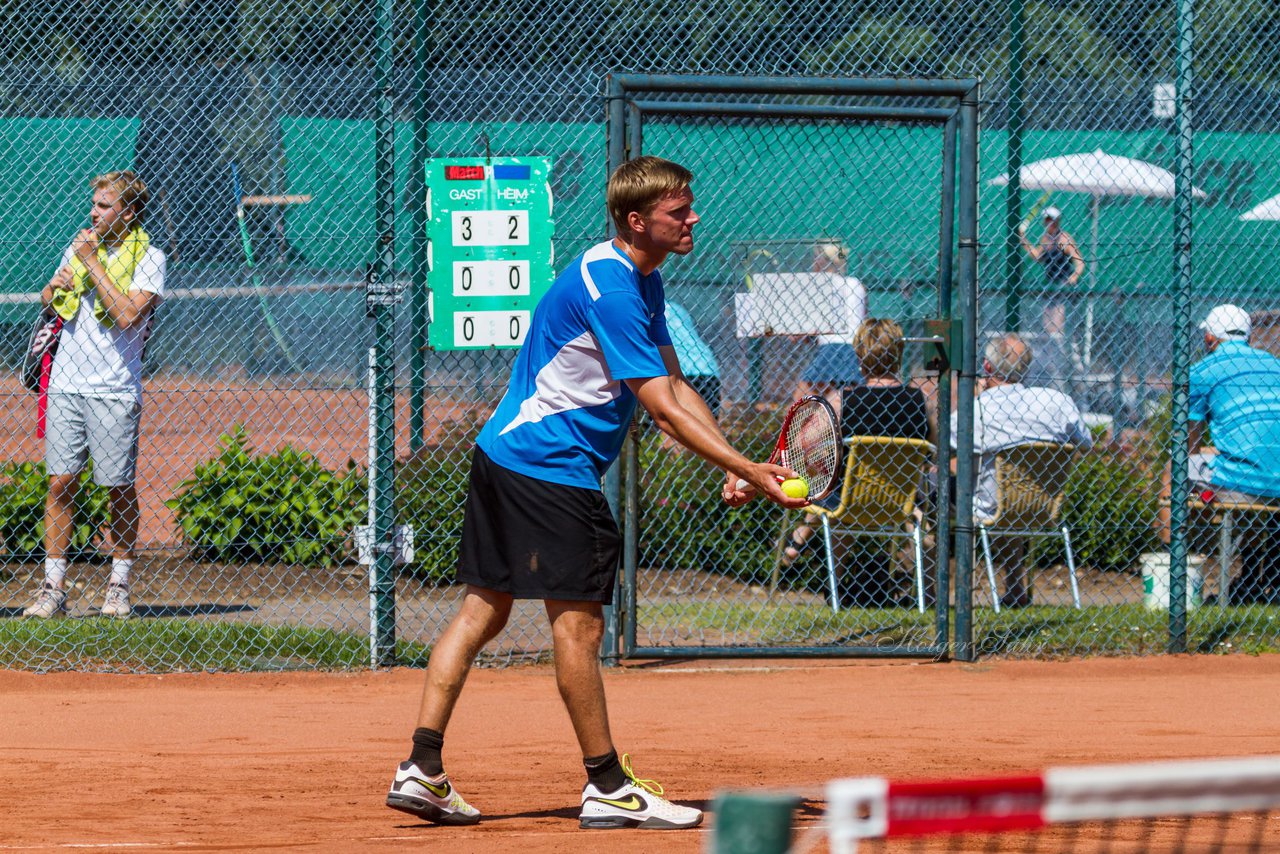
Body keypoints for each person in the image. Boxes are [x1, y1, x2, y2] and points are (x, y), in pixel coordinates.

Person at [384, 156, 806, 831]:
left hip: (505, 454)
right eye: (678, 212)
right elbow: (661, 410)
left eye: (690, 207)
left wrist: (736, 460)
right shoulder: (610, 287)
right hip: (551, 467)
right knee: (578, 627)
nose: (693, 218)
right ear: (638, 221)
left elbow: (675, 383)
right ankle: (607, 785)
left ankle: (421, 769)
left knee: (482, 612)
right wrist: (753, 473)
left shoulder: (642, 279)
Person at [22, 171, 165, 620]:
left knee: (117, 487)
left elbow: (126, 315)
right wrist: (54, 288)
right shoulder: (79, 247)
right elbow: (49, 299)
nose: (93, 212)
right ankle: (53, 589)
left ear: (128, 212)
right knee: (60, 483)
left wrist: (92, 262)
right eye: (94, 204)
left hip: (114, 389)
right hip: (66, 382)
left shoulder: (151, 258)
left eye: (104, 206)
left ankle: (118, 587)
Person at [782, 319, 934, 606]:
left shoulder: (842, 401)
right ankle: (929, 595)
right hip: (905, 500)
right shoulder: (920, 400)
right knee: (925, 509)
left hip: (851, 499)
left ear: (860, 358)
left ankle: (836, 587)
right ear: (899, 354)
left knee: (835, 496)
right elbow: (934, 448)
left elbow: (806, 441)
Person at [951, 333, 1092, 608]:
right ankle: (1015, 587)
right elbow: (1085, 441)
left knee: (937, 483)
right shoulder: (1057, 402)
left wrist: (978, 396)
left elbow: (945, 443)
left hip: (988, 505)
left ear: (987, 367)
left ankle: (933, 594)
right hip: (1042, 503)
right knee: (1010, 496)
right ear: (1025, 368)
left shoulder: (978, 410)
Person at [1157, 304, 1280, 604]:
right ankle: (1252, 577)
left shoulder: (1200, 372)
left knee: (1172, 470)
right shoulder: (1274, 365)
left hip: (1242, 484)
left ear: (1210, 339)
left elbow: (1189, 446)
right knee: (1246, 463)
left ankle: (1170, 569)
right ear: (1248, 338)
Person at [793, 240, 867, 410]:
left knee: (799, 403)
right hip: (856, 348)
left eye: (816, 258)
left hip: (831, 348)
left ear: (822, 260)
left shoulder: (819, 285)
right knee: (847, 402)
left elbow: (803, 331)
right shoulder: (856, 283)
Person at [663, 300, 720, 417]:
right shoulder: (676, 307)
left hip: (683, 371)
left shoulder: (643, 309)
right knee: (708, 424)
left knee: (680, 425)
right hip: (708, 366)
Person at [1019, 206, 1084, 295]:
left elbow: (1079, 262)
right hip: (1049, 286)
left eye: (1051, 219)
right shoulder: (1046, 238)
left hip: (1064, 287)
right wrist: (1023, 240)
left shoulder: (1064, 238)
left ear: (1057, 221)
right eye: (1047, 219)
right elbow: (1038, 256)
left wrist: (1074, 277)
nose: (1048, 222)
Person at [1022, 300, 1078, 394]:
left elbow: (1077, 373)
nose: (1048, 313)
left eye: (1055, 309)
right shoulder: (1036, 340)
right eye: (1047, 309)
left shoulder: (1069, 342)